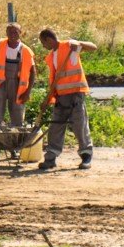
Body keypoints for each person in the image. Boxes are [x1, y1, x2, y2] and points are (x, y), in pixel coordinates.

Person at [37, 26, 97, 171]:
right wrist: (47, 100)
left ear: (49, 39)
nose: (43, 46)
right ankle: (51, 158)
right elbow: (54, 81)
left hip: (75, 95)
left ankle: (86, 156)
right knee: (56, 127)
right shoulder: (51, 56)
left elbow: (93, 47)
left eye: (43, 43)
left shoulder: (70, 45)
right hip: (60, 97)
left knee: (79, 125)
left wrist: (80, 44)